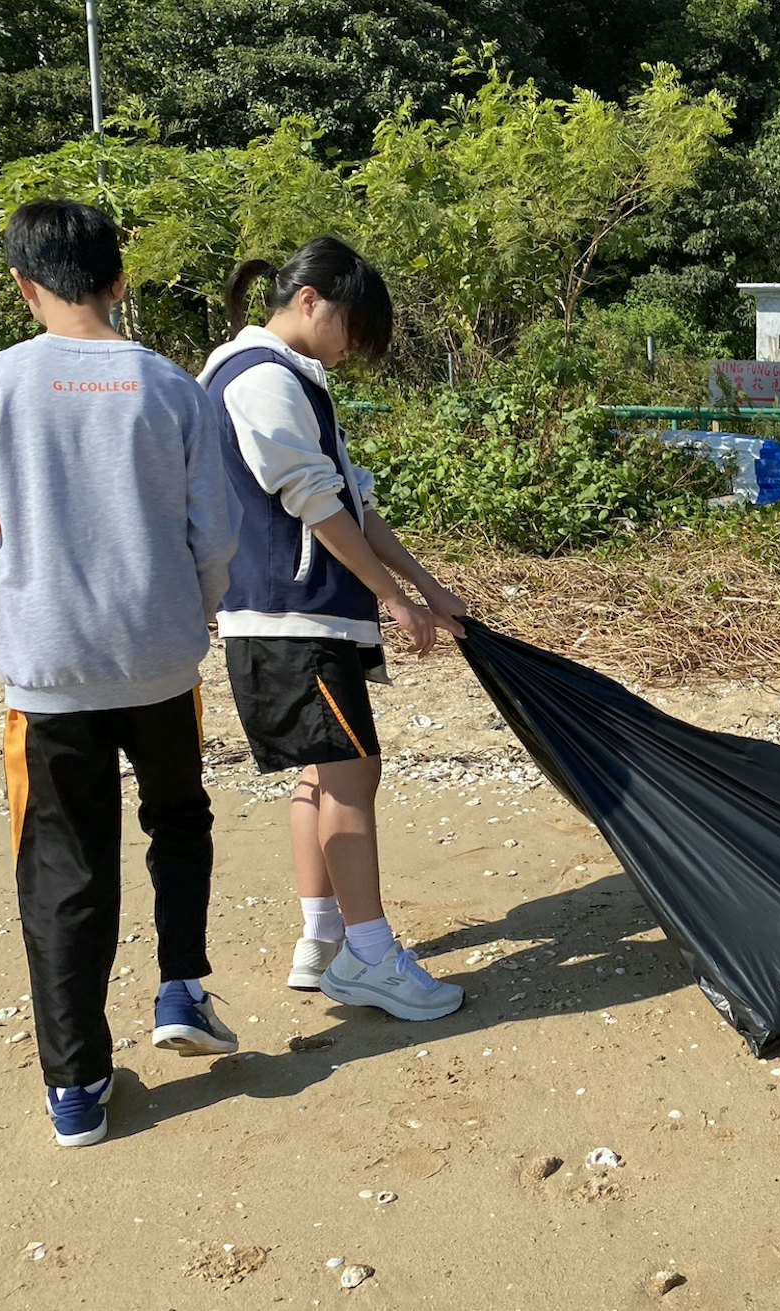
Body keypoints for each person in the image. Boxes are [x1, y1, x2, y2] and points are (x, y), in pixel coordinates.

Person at [0, 199, 241, 1148]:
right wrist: (194, 611)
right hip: (159, 660)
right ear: (118, 278)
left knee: (64, 869)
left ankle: (78, 1083)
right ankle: (182, 983)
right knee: (179, 819)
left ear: (24, 283)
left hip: (50, 672)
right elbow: (212, 536)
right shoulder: (173, 387)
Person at [201, 238, 468, 1022]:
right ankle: (371, 954)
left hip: (291, 615)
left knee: (321, 774)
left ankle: (322, 938)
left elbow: (352, 499)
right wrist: (396, 599)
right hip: (294, 616)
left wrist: (428, 586)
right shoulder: (261, 380)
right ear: (312, 298)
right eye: (355, 328)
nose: (354, 350)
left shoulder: (279, 378)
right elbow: (315, 502)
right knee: (353, 773)